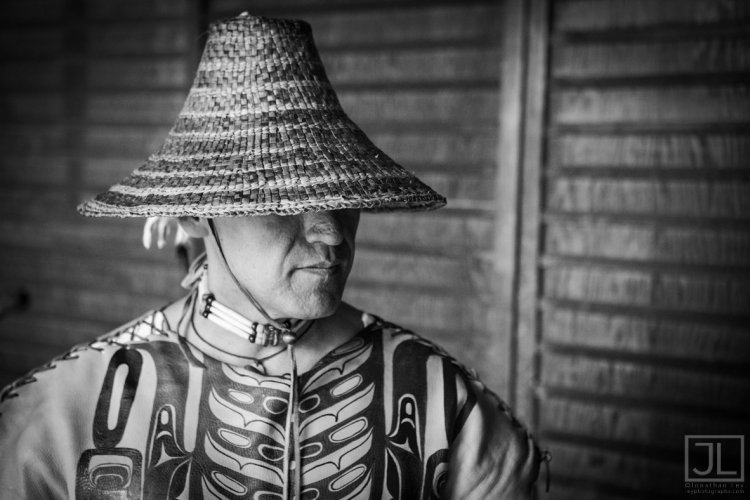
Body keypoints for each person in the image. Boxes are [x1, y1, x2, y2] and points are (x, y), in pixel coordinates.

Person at [0, 13, 543, 499]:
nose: (331, 233)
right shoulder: (61, 412)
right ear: (195, 214)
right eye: (282, 203)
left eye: (343, 198)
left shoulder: (441, 403)